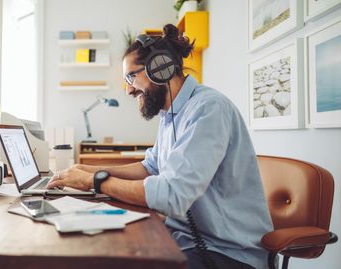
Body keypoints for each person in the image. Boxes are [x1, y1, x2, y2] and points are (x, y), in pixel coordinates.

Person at [47, 24, 273, 269]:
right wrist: (88, 170)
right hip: (184, 239)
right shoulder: (170, 114)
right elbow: (151, 167)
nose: (128, 89)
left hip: (227, 253)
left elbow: (171, 196)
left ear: (160, 68)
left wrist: (95, 182)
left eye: (131, 76)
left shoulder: (209, 109)